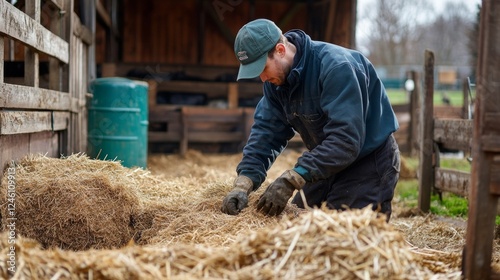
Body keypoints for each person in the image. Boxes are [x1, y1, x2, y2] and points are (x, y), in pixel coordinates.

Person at [221, 18, 400, 220]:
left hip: (367, 162)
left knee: (340, 237)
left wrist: (293, 179)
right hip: (327, 162)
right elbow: (266, 132)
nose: (262, 78)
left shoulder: (336, 67)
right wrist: (244, 183)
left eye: (262, 68)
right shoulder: (276, 84)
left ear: (280, 50)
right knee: (293, 222)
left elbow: (346, 140)